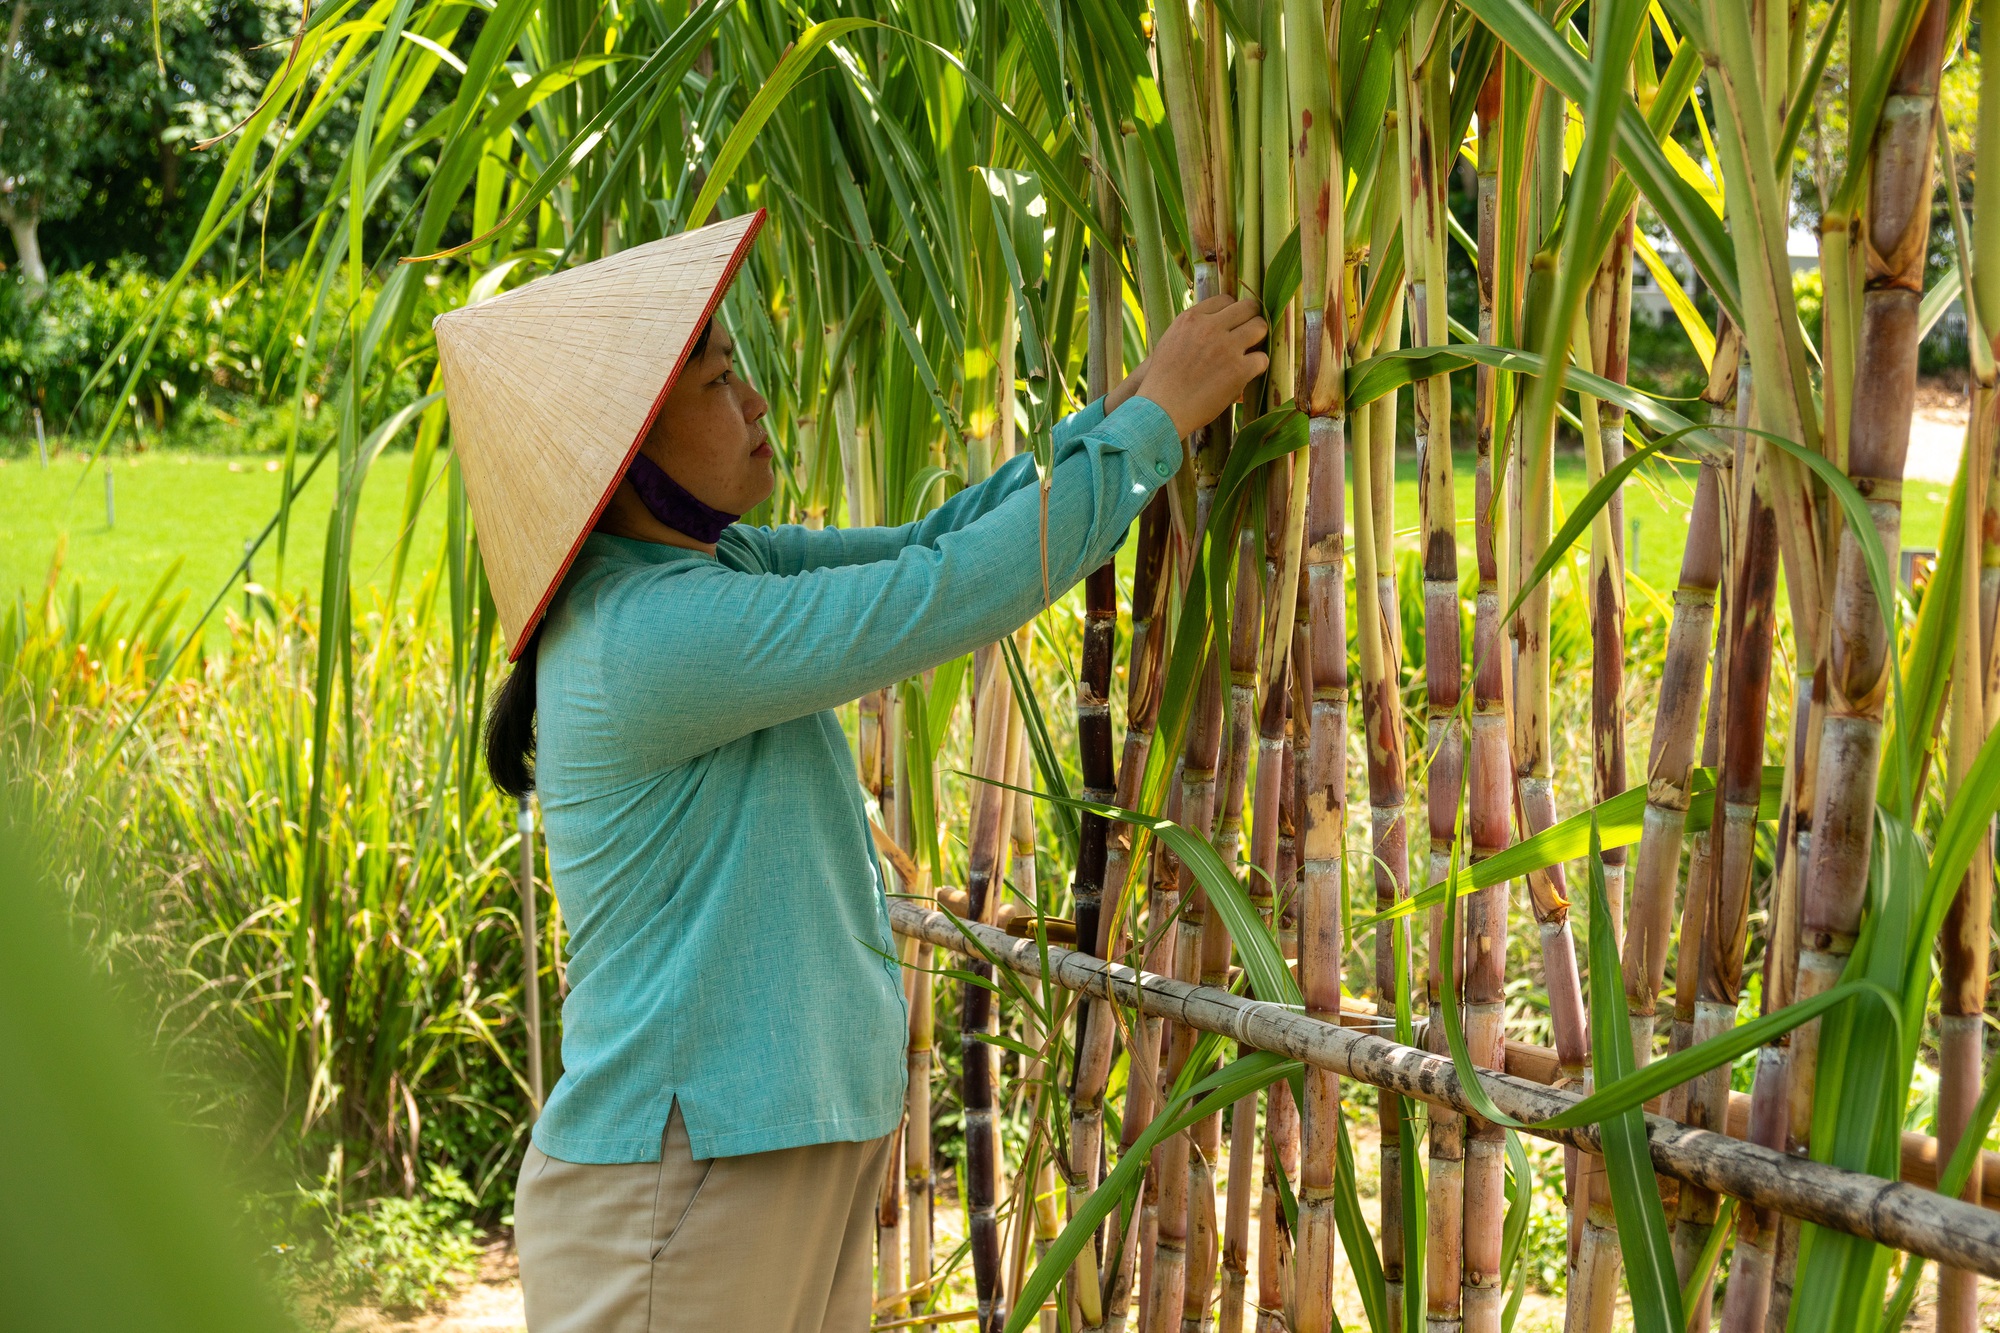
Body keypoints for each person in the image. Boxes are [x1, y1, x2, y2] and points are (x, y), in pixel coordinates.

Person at [438, 212, 1268, 1332]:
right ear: (629, 449)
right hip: (685, 1174)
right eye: (722, 380)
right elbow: (937, 598)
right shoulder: (648, 634)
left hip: (758, 1152)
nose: (756, 403)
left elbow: (938, 540)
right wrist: (1154, 427)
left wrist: (1116, 422)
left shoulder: (712, 564)